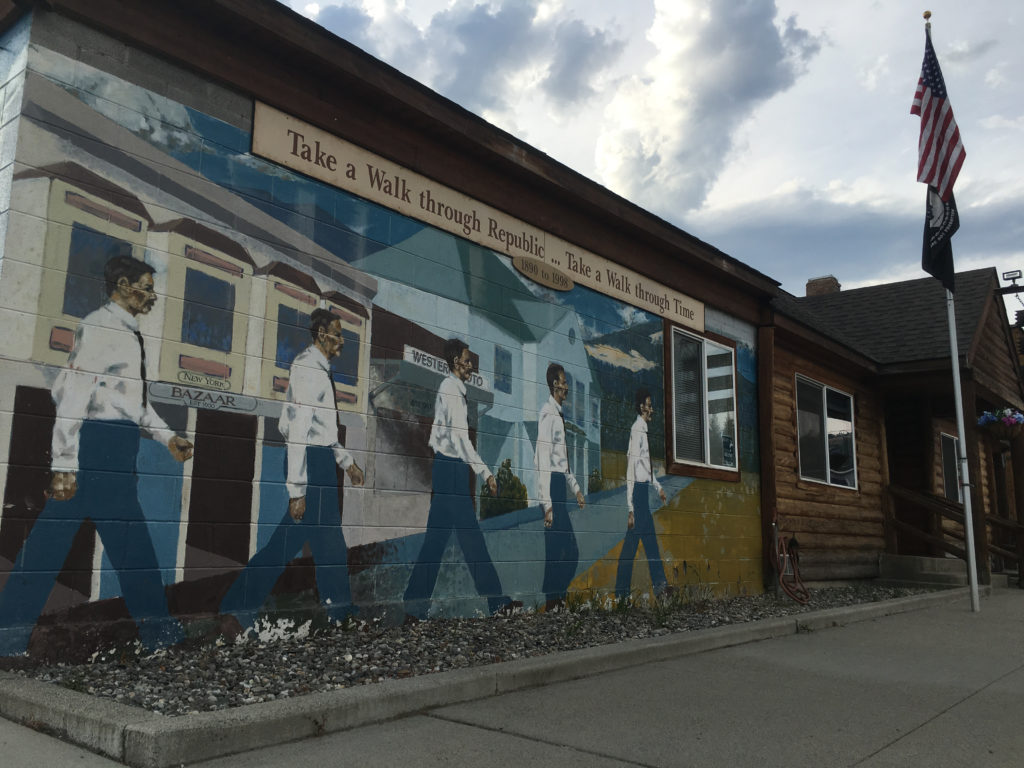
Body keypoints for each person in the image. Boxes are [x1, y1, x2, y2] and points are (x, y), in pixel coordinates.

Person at [0, 255, 192, 655]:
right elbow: (73, 395)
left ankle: (7, 635)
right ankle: (159, 632)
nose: (152, 295)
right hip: (96, 447)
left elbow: (133, 403)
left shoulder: (129, 332)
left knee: (103, 545)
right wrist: (65, 465)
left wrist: (167, 437)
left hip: (118, 445)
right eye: (146, 286)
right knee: (88, 545)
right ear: (122, 285)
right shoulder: (99, 326)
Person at [221, 309, 363, 625]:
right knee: (289, 544)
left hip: (320, 459)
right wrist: (297, 490)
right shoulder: (308, 369)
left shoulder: (320, 369)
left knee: (328, 546)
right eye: (338, 334)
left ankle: (338, 611)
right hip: (309, 462)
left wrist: (347, 462)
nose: (342, 341)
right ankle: (236, 607)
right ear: (322, 334)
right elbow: (299, 430)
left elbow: (323, 430)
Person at [404, 338, 513, 619]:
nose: (471, 365)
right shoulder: (451, 390)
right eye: (467, 360)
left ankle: (414, 605)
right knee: (469, 541)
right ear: (455, 363)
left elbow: (441, 436)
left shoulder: (452, 388)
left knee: (442, 541)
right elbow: (461, 440)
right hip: (451, 470)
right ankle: (495, 602)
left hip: (447, 470)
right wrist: (486, 472)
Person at [536, 363, 585, 610]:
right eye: (564, 382)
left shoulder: (557, 415)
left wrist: (576, 489)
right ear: (555, 385)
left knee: (562, 550)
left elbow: (562, 462)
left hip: (559, 486)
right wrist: (547, 505)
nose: (567, 387)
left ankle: (555, 599)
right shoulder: (547, 414)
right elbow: (542, 461)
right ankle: (554, 601)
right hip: (551, 487)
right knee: (562, 550)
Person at [615, 387, 669, 600]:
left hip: (643, 491)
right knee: (645, 543)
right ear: (641, 408)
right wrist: (631, 508)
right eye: (649, 405)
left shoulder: (642, 431)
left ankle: (625, 593)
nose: (652, 409)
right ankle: (659, 588)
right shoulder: (637, 430)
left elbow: (646, 468)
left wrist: (658, 487)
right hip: (638, 493)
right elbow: (631, 469)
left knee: (642, 542)